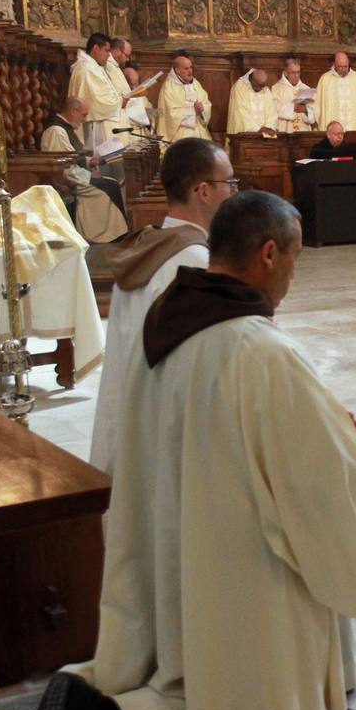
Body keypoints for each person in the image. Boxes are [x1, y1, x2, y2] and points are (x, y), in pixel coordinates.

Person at [12, 189, 356, 710]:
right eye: (295, 259)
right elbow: (321, 480)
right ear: (268, 254)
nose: (295, 274)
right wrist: (343, 438)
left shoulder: (169, 314)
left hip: (183, 532)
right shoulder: (258, 349)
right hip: (240, 567)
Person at [88, 137, 234, 475]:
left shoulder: (148, 245)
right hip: (164, 438)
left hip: (130, 423)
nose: (234, 192)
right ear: (204, 191)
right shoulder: (193, 265)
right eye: (229, 182)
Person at [40, 96, 128, 243]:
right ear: (73, 111)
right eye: (84, 114)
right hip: (68, 181)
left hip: (76, 174)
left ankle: (117, 234)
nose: (84, 118)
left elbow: (73, 156)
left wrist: (91, 162)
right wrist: (89, 175)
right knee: (108, 186)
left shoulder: (65, 128)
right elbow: (64, 168)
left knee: (110, 183)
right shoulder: (56, 131)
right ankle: (106, 236)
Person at [67, 32, 123, 148]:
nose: (109, 55)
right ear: (96, 48)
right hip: (91, 126)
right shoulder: (87, 69)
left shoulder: (92, 67)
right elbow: (98, 101)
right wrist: (121, 101)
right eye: (106, 51)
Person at [156, 53, 213, 146]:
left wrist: (202, 109)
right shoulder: (168, 87)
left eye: (191, 68)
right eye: (186, 69)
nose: (190, 71)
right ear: (177, 70)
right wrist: (192, 110)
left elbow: (206, 104)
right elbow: (169, 114)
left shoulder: (196, 84)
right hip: (180, 133)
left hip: (200, 131)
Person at [317, 52, 356, 131]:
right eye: (340, 67)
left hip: (355, 127)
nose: (343, 69)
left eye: (345, 66)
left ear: (349, 64)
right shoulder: (325, 79)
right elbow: (318, 104)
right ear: (334, 64)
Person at [104, 36, 134, 146]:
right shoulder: (106, 66)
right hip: (112, 120)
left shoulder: (115, 67)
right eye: (127, 55)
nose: (128, 59)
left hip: (120, 116)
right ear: (116, 51)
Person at [271, 58, 317, 133]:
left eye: (298, 72)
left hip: (303, 129)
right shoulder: (277, 88)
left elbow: (315, 111)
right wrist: (292, 107)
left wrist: (306, 110)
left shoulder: (306, 88)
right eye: (293, 72)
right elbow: (274, 108)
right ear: (285, 73)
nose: (296, 76)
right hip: (285, 130)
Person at [229, 68, 277, 133]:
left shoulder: (266, 90)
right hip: (245, 136)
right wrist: (258, 129)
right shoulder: (239, 87)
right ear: (251, 80)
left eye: (262, 86)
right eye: (258, 86)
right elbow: (240, 114)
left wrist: (269, 127)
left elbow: (272, 112)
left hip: (265, 135)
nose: (260, 89)